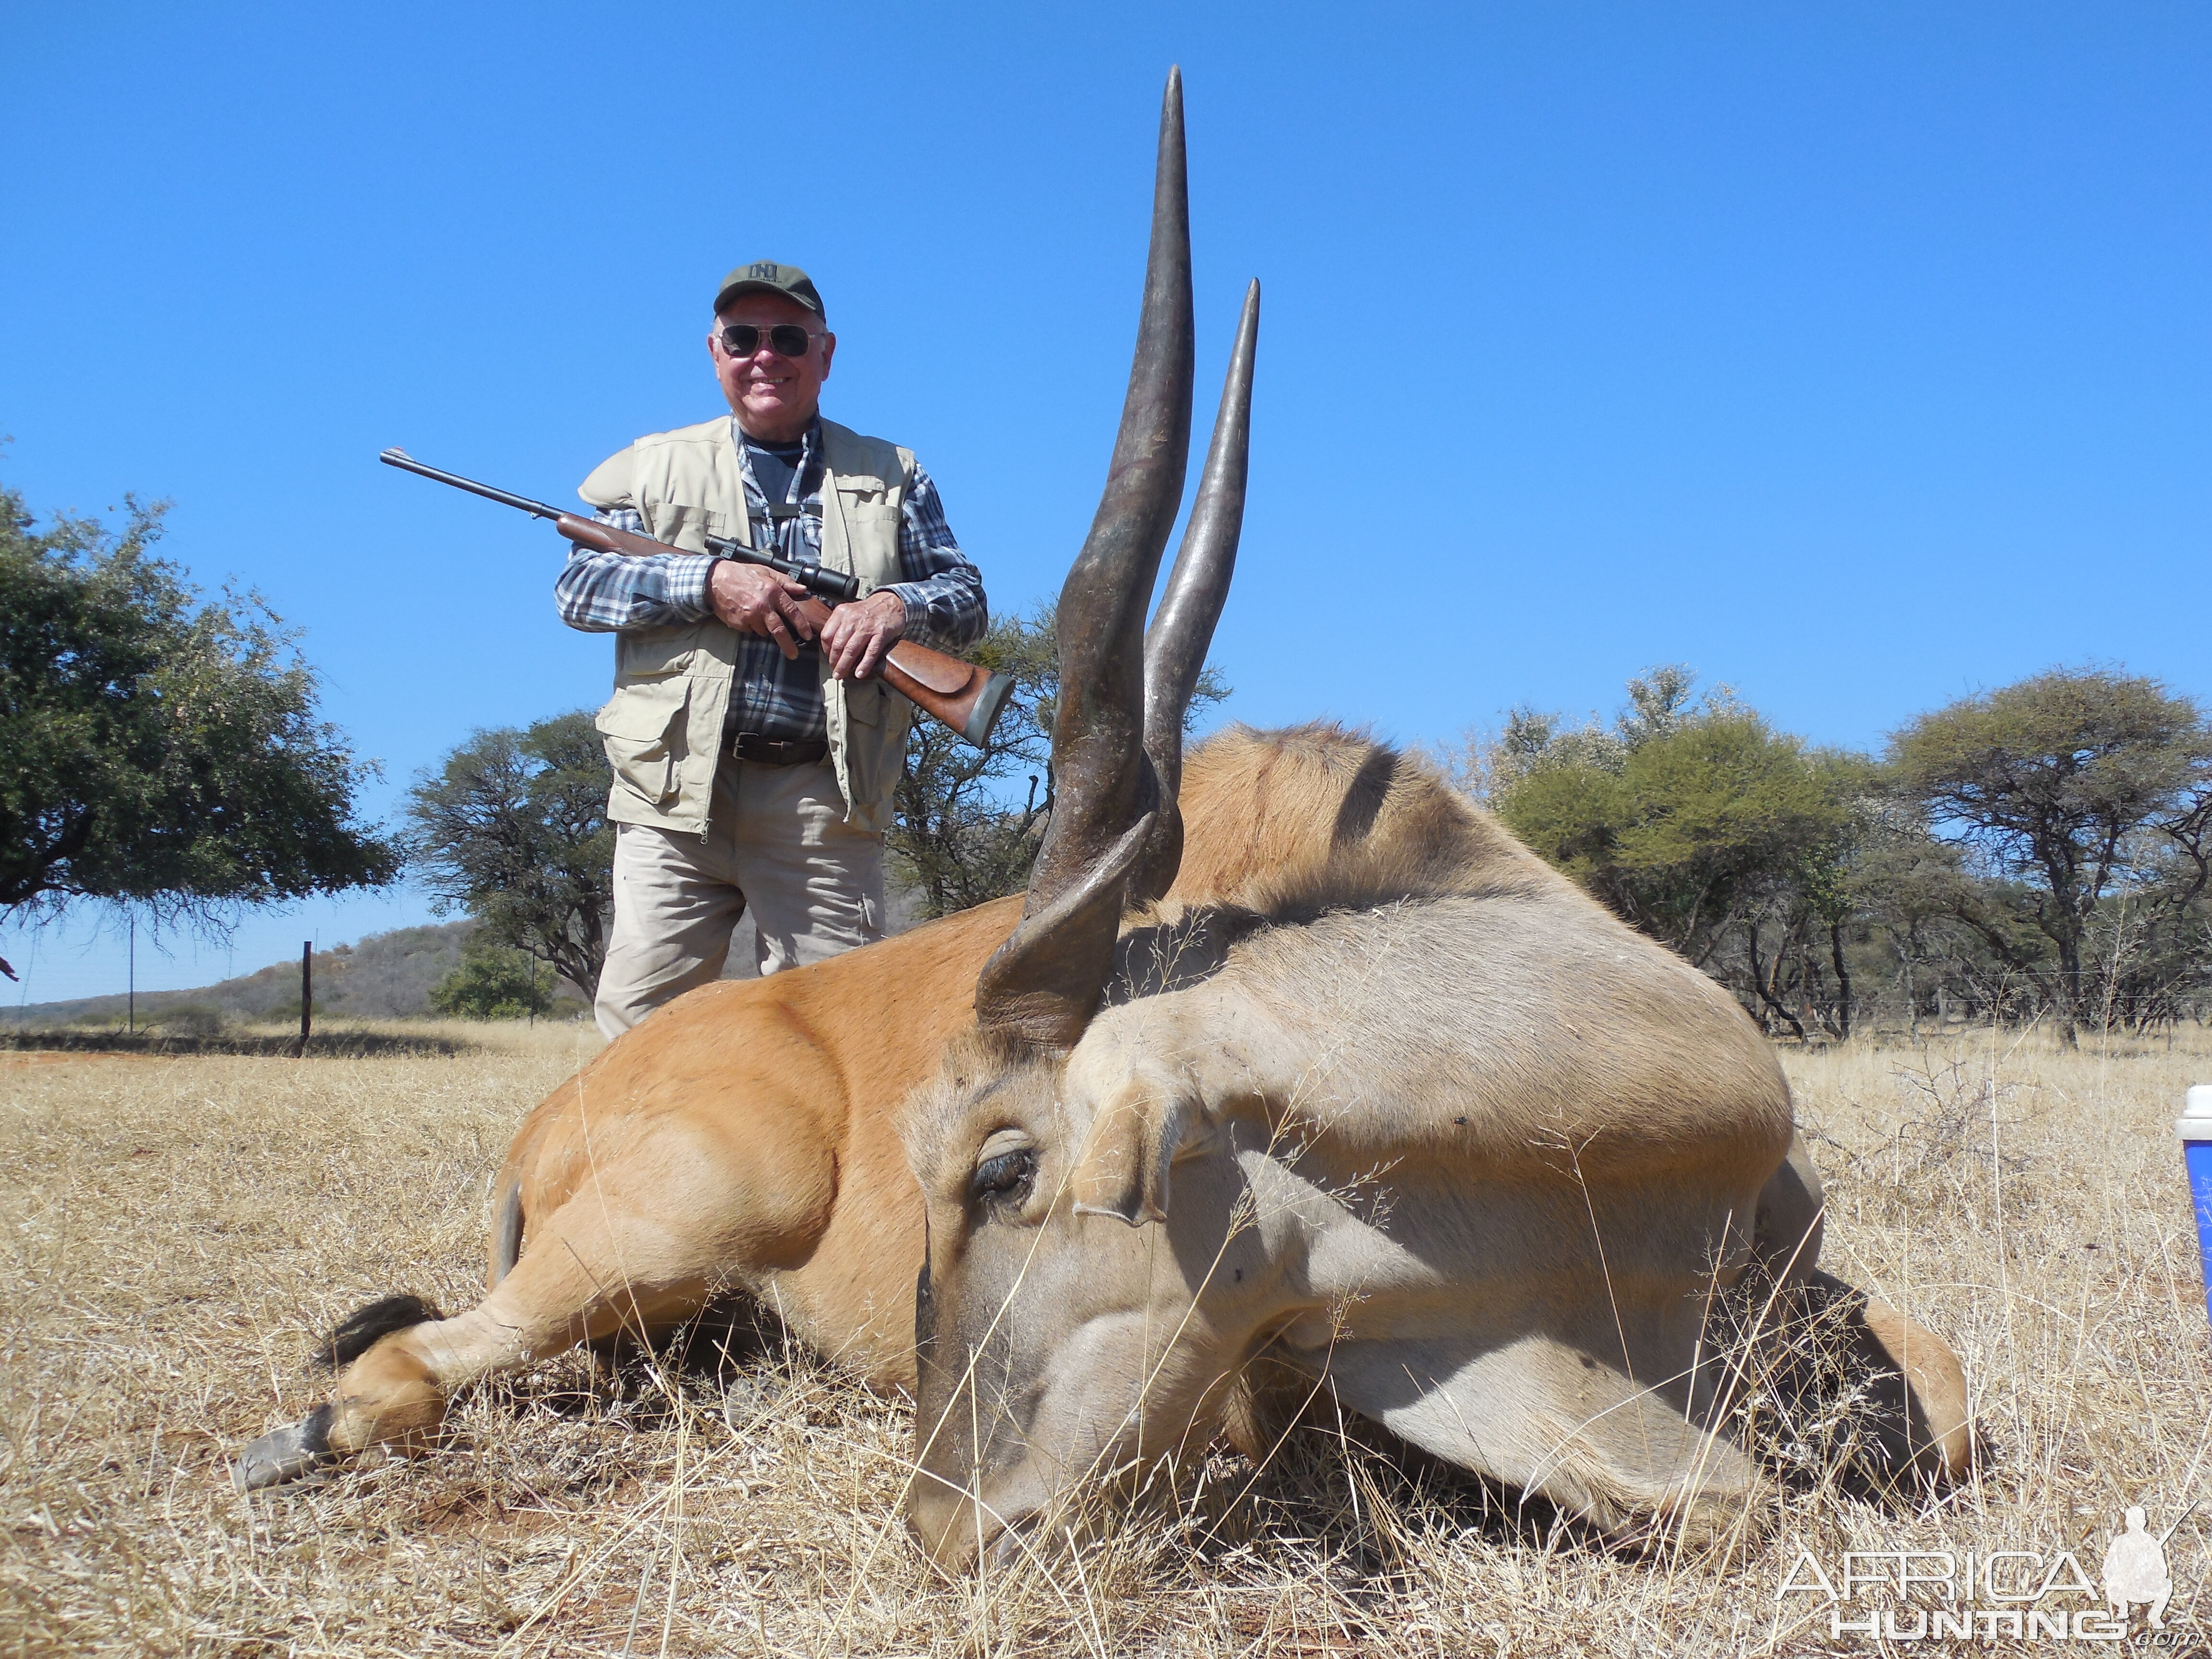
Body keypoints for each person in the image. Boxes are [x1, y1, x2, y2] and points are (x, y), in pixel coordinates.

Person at [557, 261, 987, 1038]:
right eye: (744, 337)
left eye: (788, 338)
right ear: (714, 351)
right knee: (639, 1027)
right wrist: (710, 584)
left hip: (821, 799)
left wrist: (892, 607)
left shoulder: (895, 473)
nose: (766, 355)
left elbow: (965, 598)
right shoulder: (651, 464)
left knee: (835, 1030)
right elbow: (580, 593)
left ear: (824, 355)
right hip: (671, 795)